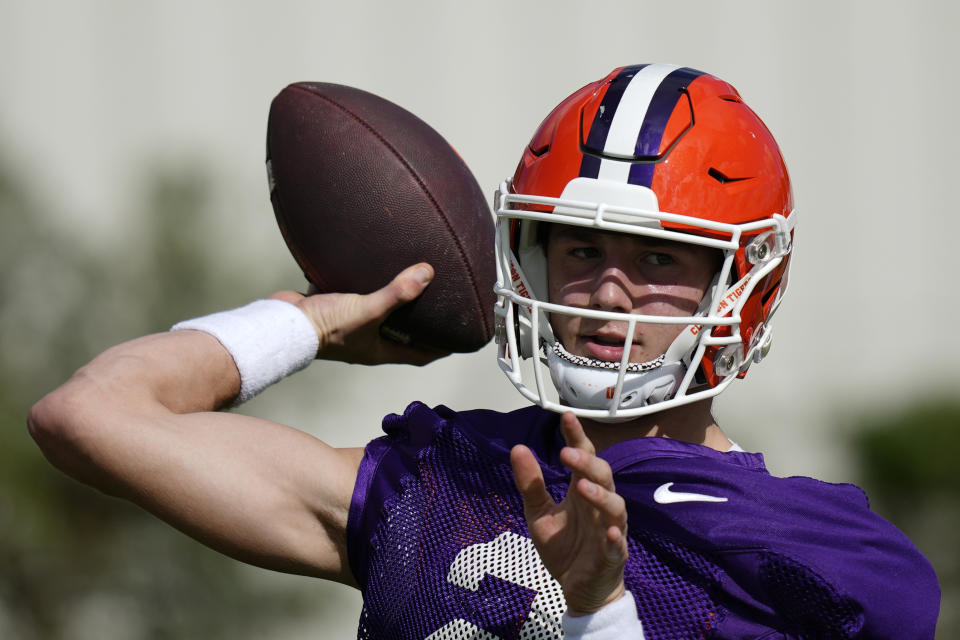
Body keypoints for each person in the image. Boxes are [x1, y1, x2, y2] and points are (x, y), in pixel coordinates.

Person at [28, 64, 939, 639]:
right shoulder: (439, 478)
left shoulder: (827, 562)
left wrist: (601, 611)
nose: (608, 289)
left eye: (658, 258)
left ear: (743, 285)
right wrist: (305, 324)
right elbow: (89, 415)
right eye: (580, 249)